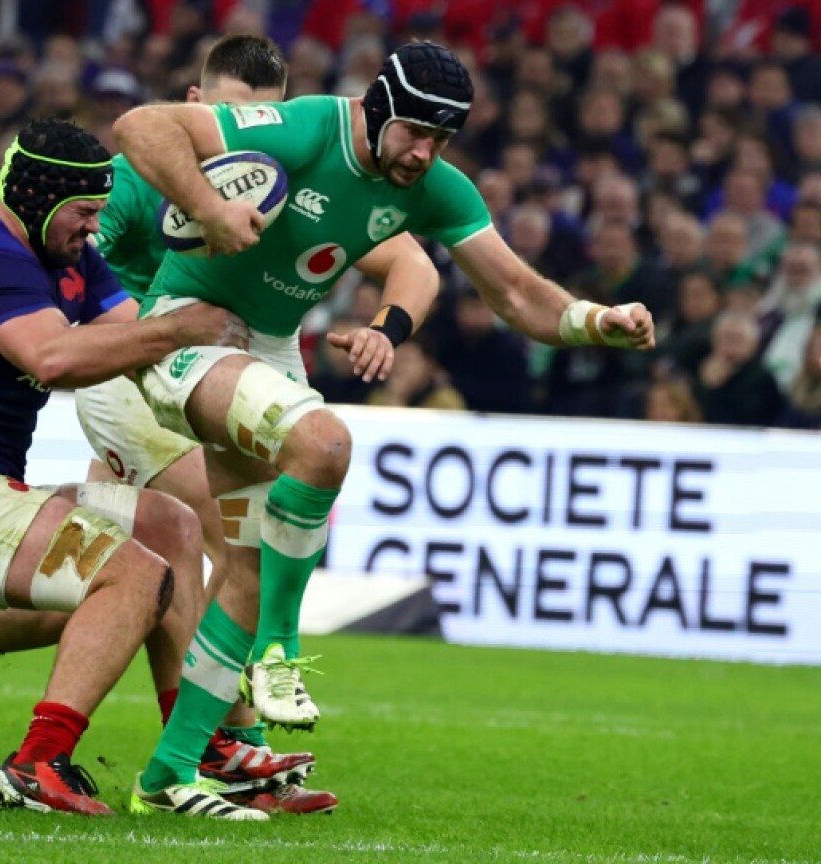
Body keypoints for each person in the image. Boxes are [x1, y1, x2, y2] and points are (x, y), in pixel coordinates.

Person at [111, 40, 656, 814]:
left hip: (265, 349)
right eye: (415, 133)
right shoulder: (301, 128)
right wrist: (208, 209)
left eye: (443, 140)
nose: (426, 153)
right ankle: (281, 651)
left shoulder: (436, 186)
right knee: (325, 443)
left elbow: (519, 295)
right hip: (184, 333)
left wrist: (602, 319)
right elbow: (140, 125)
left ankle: (166, 780)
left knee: (247, 572)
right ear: (376, 107)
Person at [0, 117, 264, 819]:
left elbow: (132, 330)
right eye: (85, 212)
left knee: (170, 528)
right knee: (133, 577)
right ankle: (37, 763)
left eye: (99, 211)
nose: (94, 229)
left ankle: (192, 751)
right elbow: (55, 360)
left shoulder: (65, 257)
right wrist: (179, 328)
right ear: (40, 197)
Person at [77, 33, 379, 816]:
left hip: (218, 376)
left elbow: (404, 252)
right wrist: (165, 326)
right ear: (196, 108)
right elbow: (79, 274)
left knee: (119, 570)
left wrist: (389, 320)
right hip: (132, 375)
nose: (255, 142)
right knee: (225, 536)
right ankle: (224, 745)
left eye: (269, 123)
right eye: (237, 120)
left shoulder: (280, 178)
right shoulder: (134, 180)